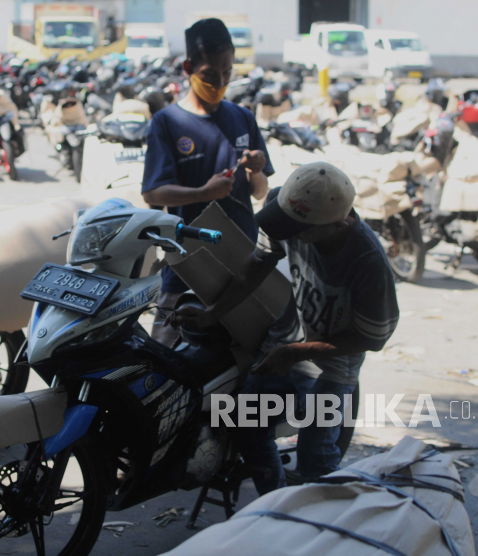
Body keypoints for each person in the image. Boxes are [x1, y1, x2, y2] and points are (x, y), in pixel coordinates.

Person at [168, 162, 399, 494]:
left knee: (316, 459)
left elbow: (370, 339)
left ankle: (316, 529)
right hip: (284, 340)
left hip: (332, 364)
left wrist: (296, 353)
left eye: (299, 228)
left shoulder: (367, 262)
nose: (288, 232)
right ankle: (273, 508)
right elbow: (259, 263)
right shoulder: (285, 209)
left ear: (336, 225)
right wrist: (212, 314)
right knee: (248, 428)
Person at [142, 18, 274, 347]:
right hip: (187, 263)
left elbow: (261, 193)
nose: (220, 81)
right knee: (167, 354)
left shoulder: (243, 118)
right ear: (188, 67)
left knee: (242, 354)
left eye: (227, 72)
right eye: (210, 74)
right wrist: (203, 193)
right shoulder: (167, 122)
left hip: (241, 265)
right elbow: (152, 192)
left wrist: (255, 171)